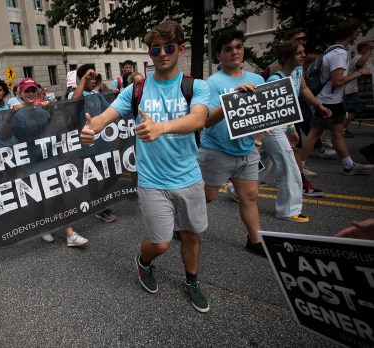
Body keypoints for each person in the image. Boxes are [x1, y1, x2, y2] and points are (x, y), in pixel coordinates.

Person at [81, 20, 210, 313]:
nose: (162, 53)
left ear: (181, 49)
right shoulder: (136, 90)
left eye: (169, 47)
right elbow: (105, 116)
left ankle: (192, 281)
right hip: (153, 182)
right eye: (155, 49)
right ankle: (144, 261)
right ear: (149, 53)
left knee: (191, 235)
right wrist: (94, 128)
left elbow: (198, 119)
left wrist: (162, 127)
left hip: (189, 177)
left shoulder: (195, 86)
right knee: (161, 243)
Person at [198, 29, 266, 256]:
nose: (235, 52)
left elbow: (263, 113)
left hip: (247, 149)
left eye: (238, 47)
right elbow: (206, 121)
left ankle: (255, 240)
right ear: (219, 55)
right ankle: (183, 224)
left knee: (249, 196)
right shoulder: (212, 83)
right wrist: (233, 99)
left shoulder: (257, 80)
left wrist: (280, 127)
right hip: (217, 149)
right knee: (206, 197)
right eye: (228, 49)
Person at [2, 77, 88, 247]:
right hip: (31, 164)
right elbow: (4, 136)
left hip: (49, 160)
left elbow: (57, 128)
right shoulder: (15, 112)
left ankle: (69, 233)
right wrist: (10, 115)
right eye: (27, 90)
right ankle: (43, 228)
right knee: (39, 199)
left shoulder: (42, 109)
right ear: (20, 93)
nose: (31, 93)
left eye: (33, 90)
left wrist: (51, 110)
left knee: (58, 197)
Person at [259, 40, 329, 222]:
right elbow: (271, 110)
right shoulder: (276, 79)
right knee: (288, 166)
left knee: (263, 161)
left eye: (303, 52)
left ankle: (237, 189)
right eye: (299, 53)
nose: (303, 55)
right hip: (273, 128)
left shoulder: (297, 72)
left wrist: (317, 107)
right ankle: (288, 210)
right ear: (286, 57)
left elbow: (296, 95)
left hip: (280, 126)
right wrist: (288, 128)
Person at [298, 18, 372, 176]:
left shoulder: (332, 51)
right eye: (357, 31)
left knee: (337, 132)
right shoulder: (338, 54)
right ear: (351, 32)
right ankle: (299, 166)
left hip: (334, 101)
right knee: (314, 134)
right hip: (328, 102)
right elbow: (337, 81)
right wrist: (358, 73)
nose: (358, 33)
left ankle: (348, 165)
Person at [69, 64, 118, 224]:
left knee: (114, 171)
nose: (94, 79)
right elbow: (74, 103)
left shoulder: (96, 95)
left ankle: (99, 199)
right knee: (93, 179)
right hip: (87, 146)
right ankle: (100, 208)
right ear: (83, 78)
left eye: (95, 76)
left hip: (103, 143)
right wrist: (84, 79)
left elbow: (111, 110)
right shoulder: (75, 94)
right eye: (91, 76)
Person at [344, 40, 374, 137]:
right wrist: (369, 49)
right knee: (352, 111)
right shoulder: (358, 58)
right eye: (368, 47)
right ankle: (342, 130)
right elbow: (359, 65)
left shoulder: (365, 59)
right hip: (355, 89)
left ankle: (343, 129)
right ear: (362, 48)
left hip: (363, 90)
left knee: (354, 111)